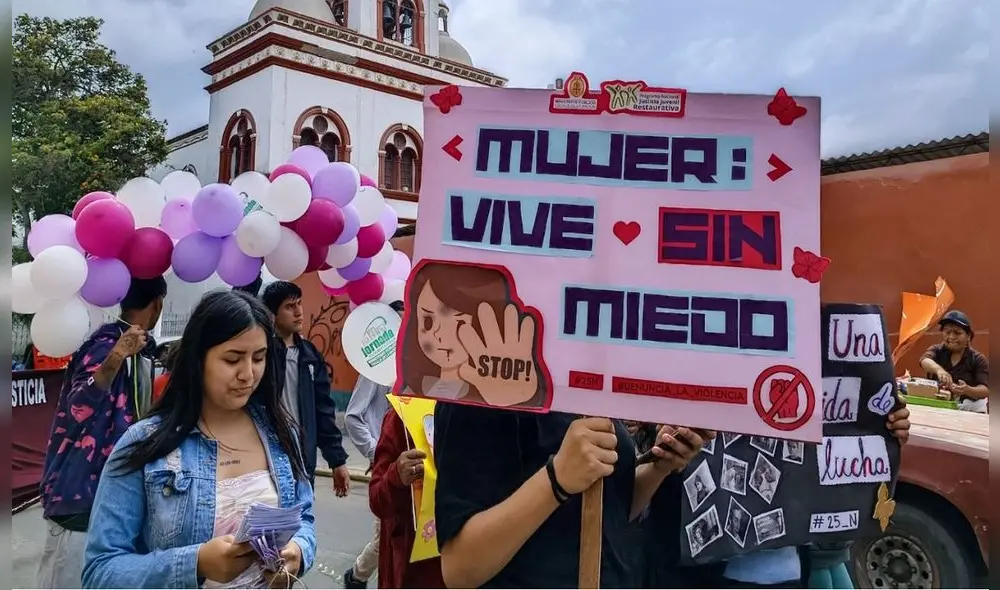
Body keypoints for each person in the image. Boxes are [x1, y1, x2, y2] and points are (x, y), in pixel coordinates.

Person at [82, 290, 317, 588]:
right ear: (198, 359)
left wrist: (298, 552)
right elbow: (100, 572)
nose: (248, 374)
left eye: (258, 358)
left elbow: (304, 519)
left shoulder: (281, 433)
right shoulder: (143, 442)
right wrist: (195, 563)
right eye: (233, 359)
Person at [434, 402, 712, 588]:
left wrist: (659, 465)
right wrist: (556, 479)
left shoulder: (588, 392)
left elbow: (612, 511)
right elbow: (459, 568)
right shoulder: (479, 393)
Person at [37, 276, 166, 589]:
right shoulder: (106, 346)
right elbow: (78, 405)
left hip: (113, 499)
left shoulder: (140, 349)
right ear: (158, 304)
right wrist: (116, 357)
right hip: (79, 497)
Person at [261, 281, 351, 493]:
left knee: (303, 522)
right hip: (266, 461)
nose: (299, 312)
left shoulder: (309, 355)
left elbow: (323, 410)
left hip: (303, 462)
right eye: (290, 307)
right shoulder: (262, 354)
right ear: (273, 314)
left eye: (300, 304)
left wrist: (337, 460)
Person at [343, 300, 405, 589]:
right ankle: (356, 576)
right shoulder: (377, 368)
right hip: (387, 462)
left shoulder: (415, 366)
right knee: (385, 536)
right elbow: (353, 415)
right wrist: (375, 451)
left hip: (413, 463)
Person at [367, 400, 446, 588]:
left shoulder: (480, 418)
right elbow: (377, 499)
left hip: (466, 565)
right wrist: (397, 475)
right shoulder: (400, 417)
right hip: (411, 569)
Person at [919, 310, 989, 413]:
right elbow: (924, 360)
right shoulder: (937, 350)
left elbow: (986, 390)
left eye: (957, 333)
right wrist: (939, 370)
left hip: (971, 410)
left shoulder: (978, 359)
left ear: (968, 336)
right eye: (947, 332)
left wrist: (967, 390)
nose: (951, 337)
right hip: (939, 408)